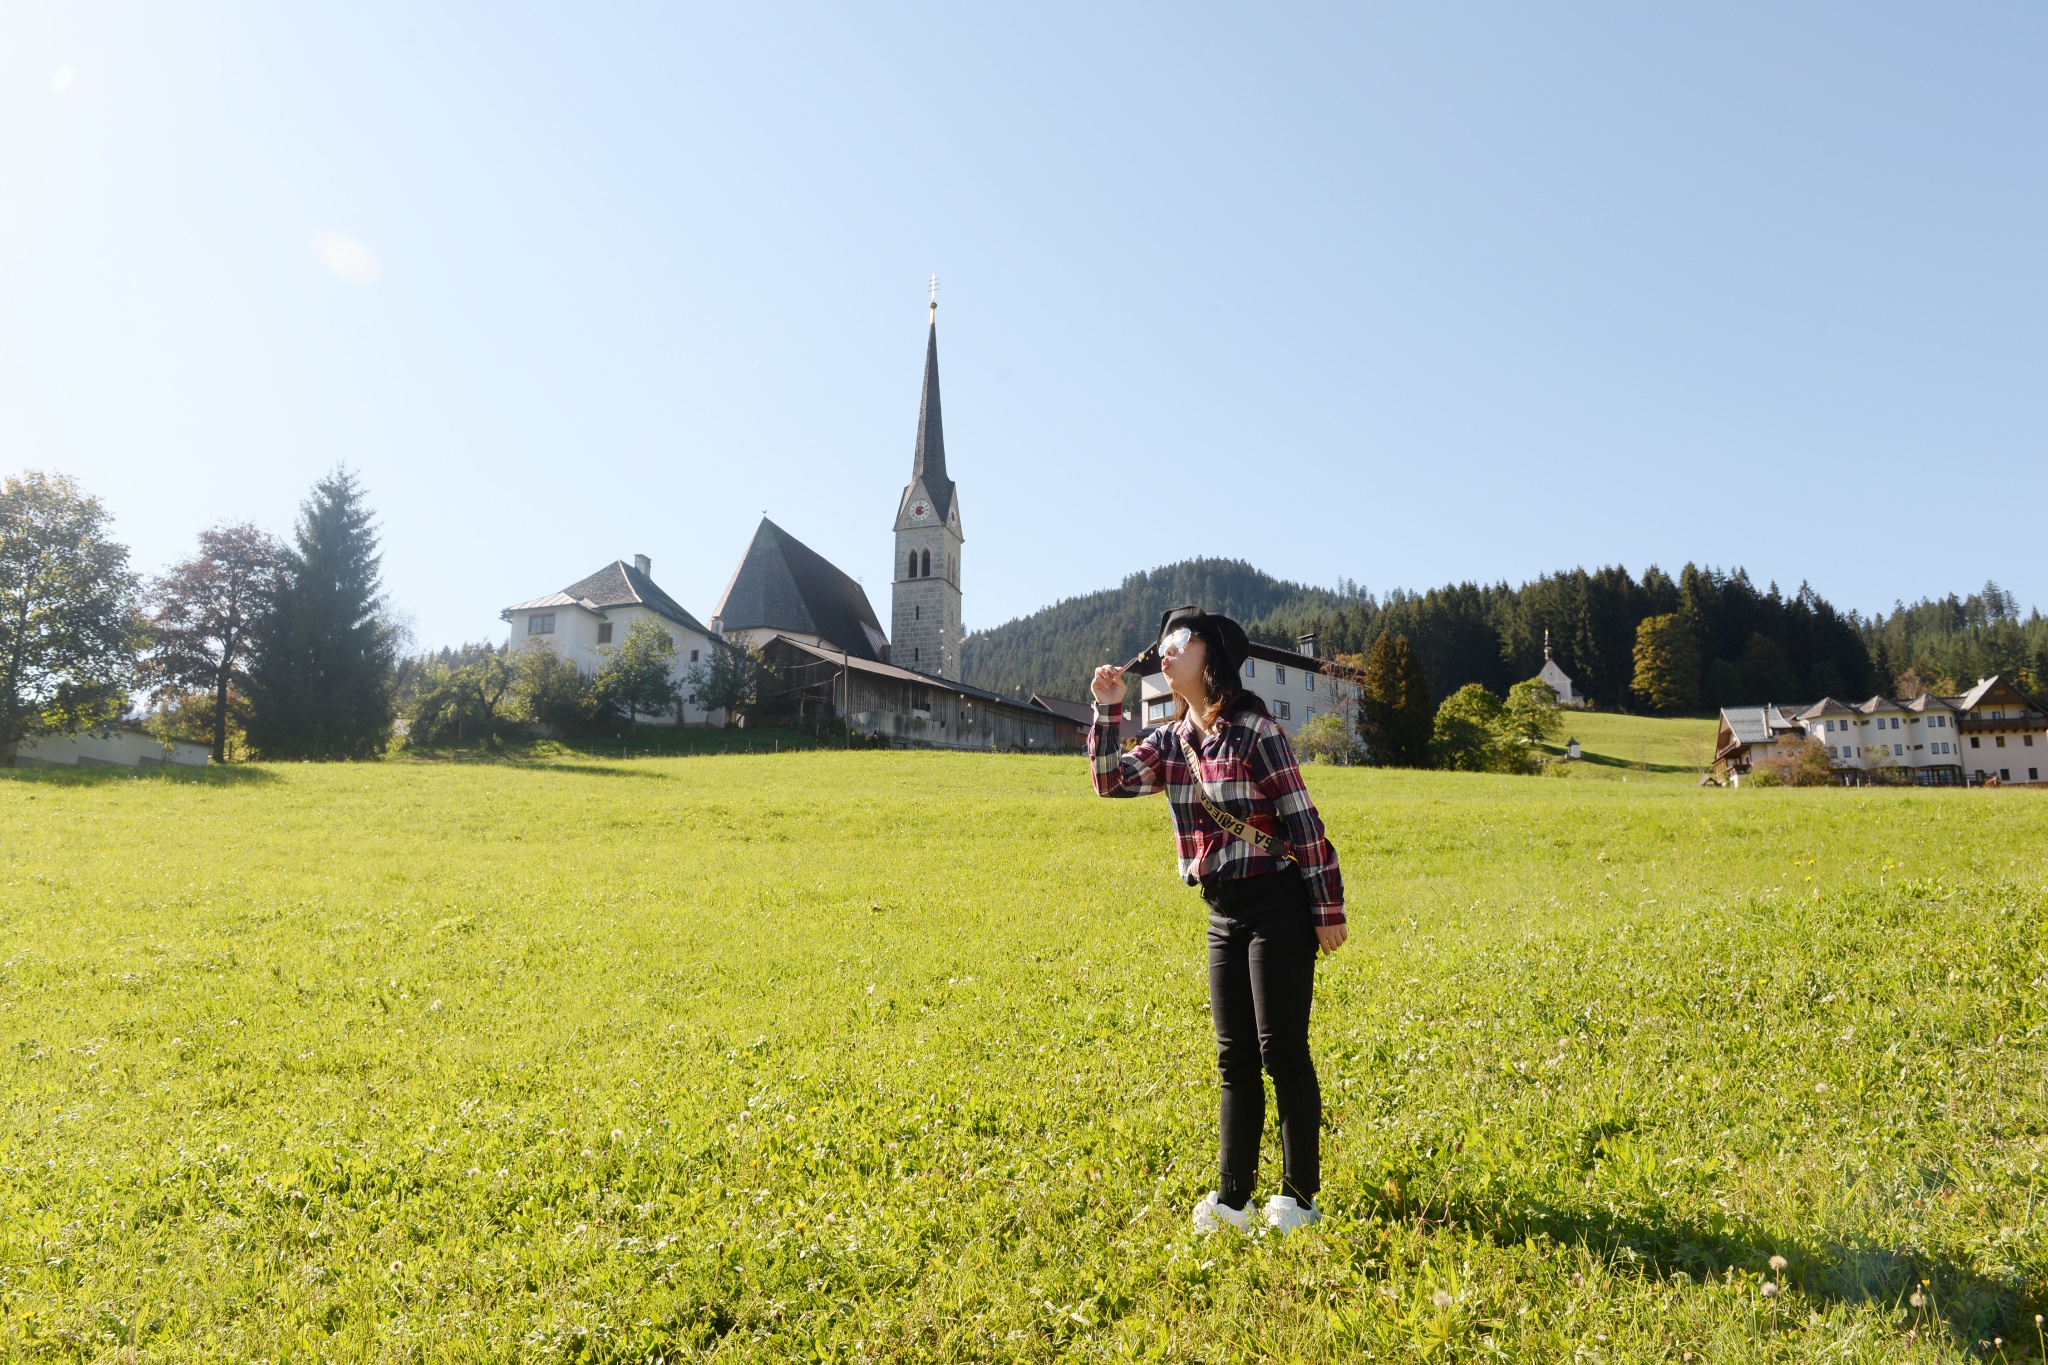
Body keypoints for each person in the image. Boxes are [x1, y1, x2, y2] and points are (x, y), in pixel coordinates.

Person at [1088, 606, 1346, 1235]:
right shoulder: (1171, 740)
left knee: (1280, 1049)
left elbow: (1303, 823)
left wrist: (1326, 907)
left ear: (1212, 659)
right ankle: (1234, 1200)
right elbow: (1108, 782)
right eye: (1163, 645)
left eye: (1178, 642)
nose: (1165, 653)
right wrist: (1107, 710)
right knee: (1233, 1058)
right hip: (1221, 910)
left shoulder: (1257, 732)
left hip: (1277, 903)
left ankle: (1298, 1198)